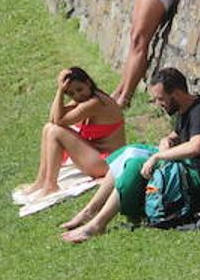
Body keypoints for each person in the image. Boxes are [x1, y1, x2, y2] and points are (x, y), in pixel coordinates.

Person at [61, 67, 200, 242]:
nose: (159, 104)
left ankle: (97, 225)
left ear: (176, 94)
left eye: (161, 99)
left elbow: (196, 147)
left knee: (136, 164)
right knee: (130, 152)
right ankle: (90, 211)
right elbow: (177, 135)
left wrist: (157, 157)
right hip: (190, 169)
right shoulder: (185, 109)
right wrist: (166, 140)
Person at [15, 67, 125, 202]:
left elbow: (59, 120)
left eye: (79, 89)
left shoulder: (95, 103)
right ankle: (41, 181)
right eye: (71, 93)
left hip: (109, 162)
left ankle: (50, 185)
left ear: (88, 83)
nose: (78, 96)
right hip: (97, 155)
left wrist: (61, 91)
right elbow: (53, 118)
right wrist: (60, 91)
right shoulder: (84, 99)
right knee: (48, 128)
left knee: (55, 131)